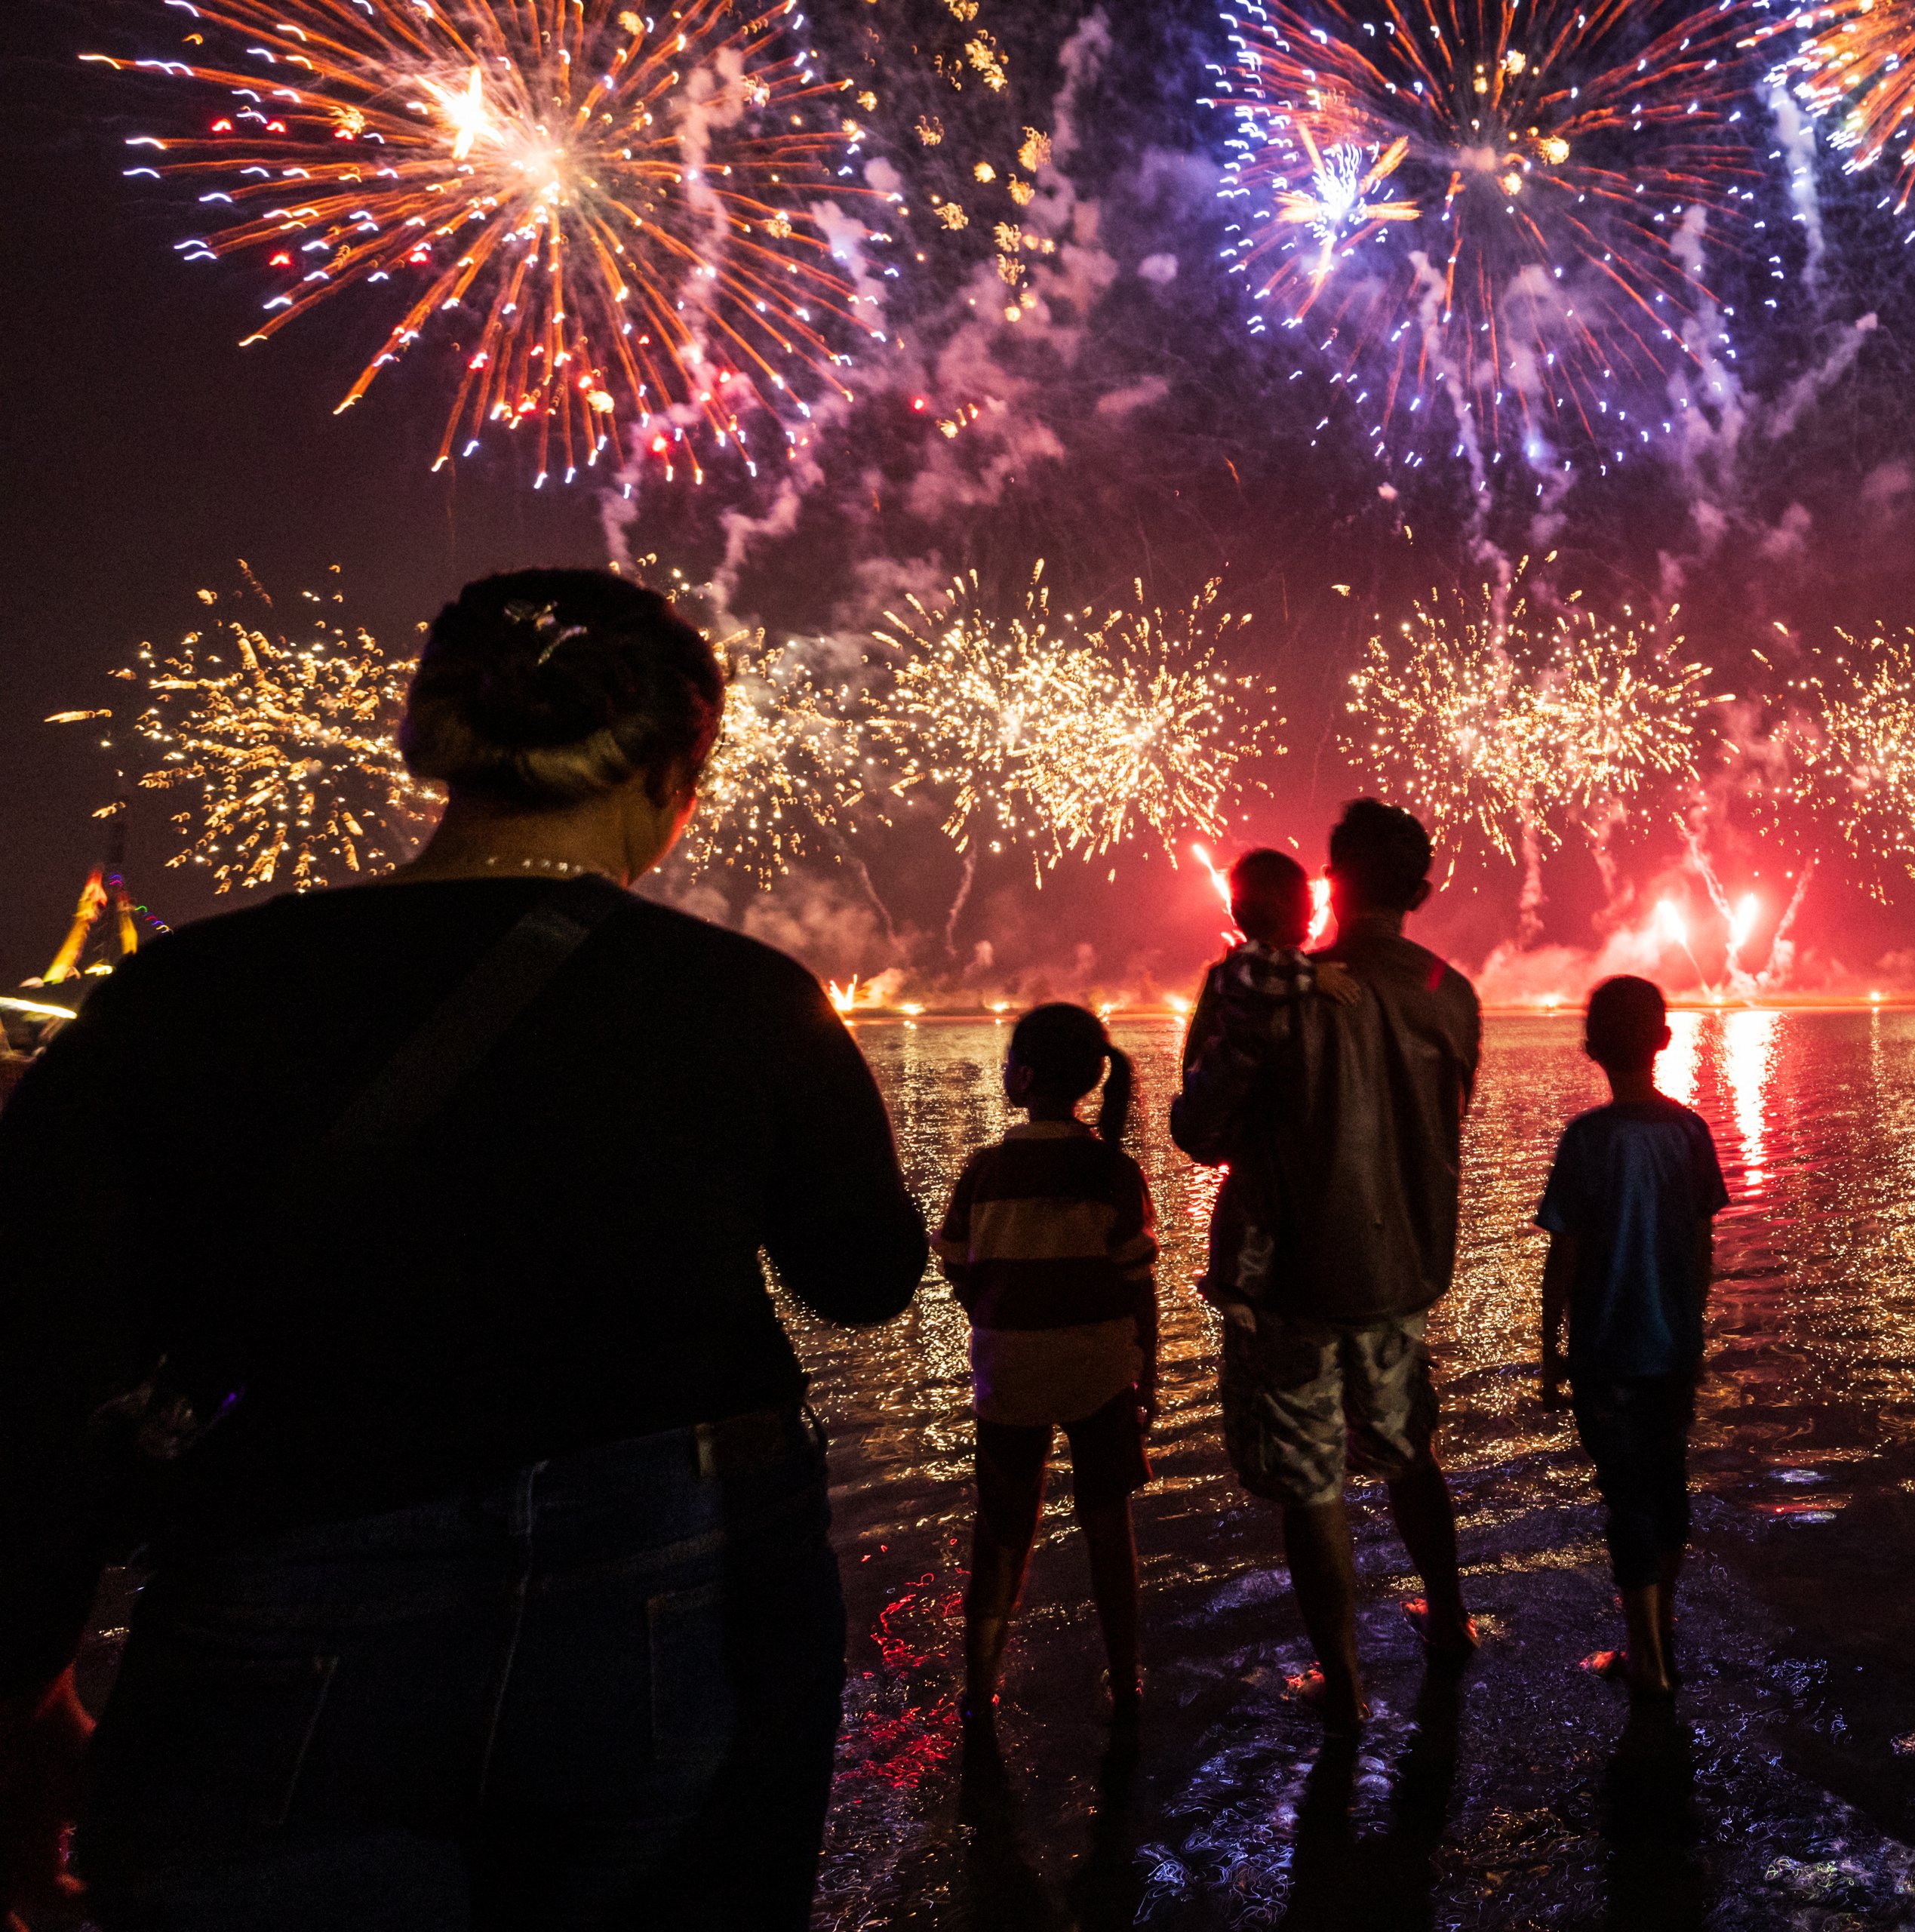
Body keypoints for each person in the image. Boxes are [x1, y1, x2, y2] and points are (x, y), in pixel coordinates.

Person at [0, 569, 926, 1931]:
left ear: (427, 745)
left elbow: (33, 1356)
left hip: (276, 1603)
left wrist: (23, 1688)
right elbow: (865, 1282)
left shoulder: (177, 998)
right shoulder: (744, 1001)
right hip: (672, 1598)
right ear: (681, 772)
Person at [1172, 800, 1483, 1733]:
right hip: (1399, 1276)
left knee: (1312, 1483)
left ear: (1329, 883)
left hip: (1291, 1284)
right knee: (1408, 1447)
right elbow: (1442, 1121)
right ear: (1422, 892)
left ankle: (1344, 1688)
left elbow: (1200, 1130)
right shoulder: (1451, 991)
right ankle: (1451, 1621)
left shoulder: (1274, 988)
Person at [935, 1002, 1158, 1723]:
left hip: (1010, 1373)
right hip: (1099, 1374)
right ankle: (1125, 1679)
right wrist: (1144, 1379)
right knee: (1106, 1523)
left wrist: (998, 1313)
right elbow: (1137, 1289)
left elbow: (957, 1266)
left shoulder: (984, 1171)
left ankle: (979, 1687)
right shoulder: (1114, 1171)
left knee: (1000, 1530)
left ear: (1023, 1076)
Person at [1533, 976, 1729, 1700]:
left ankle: (1644, 1660)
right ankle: (1662, 1628)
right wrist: (1692, 1323)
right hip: (1673, 1347)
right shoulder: (1691, 1132)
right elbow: (1703, 1245)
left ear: (1590, 1048)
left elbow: (1566, 1255)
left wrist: (1550, 1351)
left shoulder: (1586, 1140)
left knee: (1626, 1497)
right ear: (1665, 1041)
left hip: (1606, 1353)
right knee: (1666, 1481)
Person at [1179, 848, 1354, 1321]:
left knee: (1247, 1209)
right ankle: (1232, 1286)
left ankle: (1234, 1286)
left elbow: (1197, 1123)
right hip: (1337, 1243)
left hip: (1251, 1155)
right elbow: (1257, 976)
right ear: (1298, 909)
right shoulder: (1257, 971)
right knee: (1251, 1210)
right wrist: (1313, 978)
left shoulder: (1238, 976)